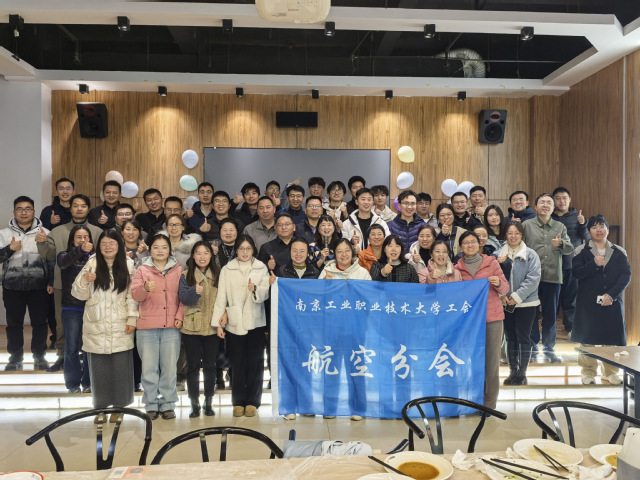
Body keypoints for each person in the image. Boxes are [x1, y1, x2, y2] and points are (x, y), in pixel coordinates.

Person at [71, 229, 138, 424]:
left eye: (112, 243)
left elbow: (132, 295)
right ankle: (100, 408)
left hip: (120, 323)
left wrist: (132, 319)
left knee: (120, 368)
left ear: (119, 245)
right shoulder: (92, 263)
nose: (108, 247)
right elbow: (78, 294)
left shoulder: (128, 264)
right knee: (98, 369)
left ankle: (119, 408)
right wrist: (85, 280)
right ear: (99, 246)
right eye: (104, 244)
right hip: (96, 323)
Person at [36, 194, 104, 372]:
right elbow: (48, 254)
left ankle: (85, 358)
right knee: (62, 324)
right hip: (63, 285)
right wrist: (42, 243)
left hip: (92, 286)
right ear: (70, 208)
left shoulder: (97, 232)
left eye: (83, 205)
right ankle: (62, 356)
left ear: (88, 208)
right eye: (75, 205)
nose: (79, 209)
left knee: (90, 323)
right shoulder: (58, 231)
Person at [211, 235, 270, 418]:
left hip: (256, 322)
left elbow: (267, 291)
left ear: (253, 250)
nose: (245, 252)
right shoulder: (227, 269)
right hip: (234, 322)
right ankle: (237, 401)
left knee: (255, 363)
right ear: (236, 250)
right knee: (237, 363)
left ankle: (253, 401)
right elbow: (221, 297)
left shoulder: (261, 267)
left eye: (248, 249)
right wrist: (218, 324)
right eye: (241, 249)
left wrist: (256, 290)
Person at [572, 215, 631, 386]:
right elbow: (576, 273)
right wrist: (594, 264)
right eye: (594, 227)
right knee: (587, 339)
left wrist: (611, 295)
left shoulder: (619, 251)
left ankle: (610, 373)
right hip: (588, 303)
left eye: (602, 226)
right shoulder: (581, 250)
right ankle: (588, 372)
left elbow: (625, 276)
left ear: (608, 230)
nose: (599, 230)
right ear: (589, 232)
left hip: (612, 301)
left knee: (611, 339)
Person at [131, 234, 184, 420]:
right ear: (150, 250)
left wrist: (179, 316)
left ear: (170, 250)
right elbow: (135, 296)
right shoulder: (142, 270)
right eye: (156, 247)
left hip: (171, 327)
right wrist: (145, 288)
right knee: (149, 368)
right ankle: (151, 404)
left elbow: (183, 297)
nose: (160, 251)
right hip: (147, 327)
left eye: (164, 247)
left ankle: (168, 404)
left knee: (169, 368)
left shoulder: (179, 270)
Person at [454, 231, 508, 409]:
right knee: (470, 361)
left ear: (479, 244)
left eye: (473, 242)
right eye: (466, 242)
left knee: (491, 363)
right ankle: (472, 400)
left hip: (492, 319)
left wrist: (498, 283)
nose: (470, 245)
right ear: (461, 247)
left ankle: (489, 405)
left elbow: (505, 288)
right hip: (469, 322)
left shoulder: (491, 263)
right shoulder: (457, 269)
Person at [1, 196, 53, 371]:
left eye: (28, 209)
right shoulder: (4, 234)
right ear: (14, 212)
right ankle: (15, 358)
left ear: (34, 211)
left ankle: (40, 357)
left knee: (40, 323)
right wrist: (9, 249)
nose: (24, 212)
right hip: (12, 287)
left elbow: (51, 259)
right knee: (14, 324)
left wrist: (51, 282)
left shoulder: (45, 232)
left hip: (39, 286)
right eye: (20, 209)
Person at [523, 193, 573, 363]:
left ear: (553, 207)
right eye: (542, 202)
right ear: (536, 207)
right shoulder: (527, 225)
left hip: (553, 277)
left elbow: (569, 249)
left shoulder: (560, 226)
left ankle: (549, 349)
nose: (545, 205)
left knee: (551, 315)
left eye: (549, 203)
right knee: (531, 314)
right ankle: (532, 348)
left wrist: (561, 244)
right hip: (531, 277)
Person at [179, 241, 222, 417]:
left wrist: (221, 323)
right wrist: (194, 292)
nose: (202, 257)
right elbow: (183, 298)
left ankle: (209, 401)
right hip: (192, 327)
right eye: (198, 253)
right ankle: (194, 403)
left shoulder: (219, 274)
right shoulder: (186, 275)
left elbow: (223, 299)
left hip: (212, 326)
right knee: (193, 367)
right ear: (193, 256)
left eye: (206, 253)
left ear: (211, 255)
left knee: (211, 365)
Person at [498, 221, 541, 386]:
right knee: (510, 338)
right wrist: (503, 295)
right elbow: (495, 277)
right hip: (505, 303)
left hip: (527, 303)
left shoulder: (531, 254)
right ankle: (512, 372)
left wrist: (516, 296)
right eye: (510, 233)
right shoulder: (498, 254)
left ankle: (522, 373)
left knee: (524, 337)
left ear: (522, 235)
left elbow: (533, 279)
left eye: (516, 233)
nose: (513, 236)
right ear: (505, 235)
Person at [57, 225, 94, 393]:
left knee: (89, 347)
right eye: (79, 237)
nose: (83, 240)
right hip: (71, 307)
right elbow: (64, 264)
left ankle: (88, 383)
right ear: (72, 240)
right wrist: (80, 250)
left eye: (86, 237)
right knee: (71, 347)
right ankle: (72, 384)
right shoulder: (64, 255)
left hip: (91, 307)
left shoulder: (95, 258)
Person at [551, 187, 590, 335]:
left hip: (571, 262)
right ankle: (549, 330)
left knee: (571, 298)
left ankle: (571, 328)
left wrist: (582, 223)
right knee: (551, 299)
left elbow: (587, 237)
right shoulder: (549, 216)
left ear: (570, 200)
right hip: (552, 263)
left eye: (564, 198)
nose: (561, 201)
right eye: (558, 198)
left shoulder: (578, 217)